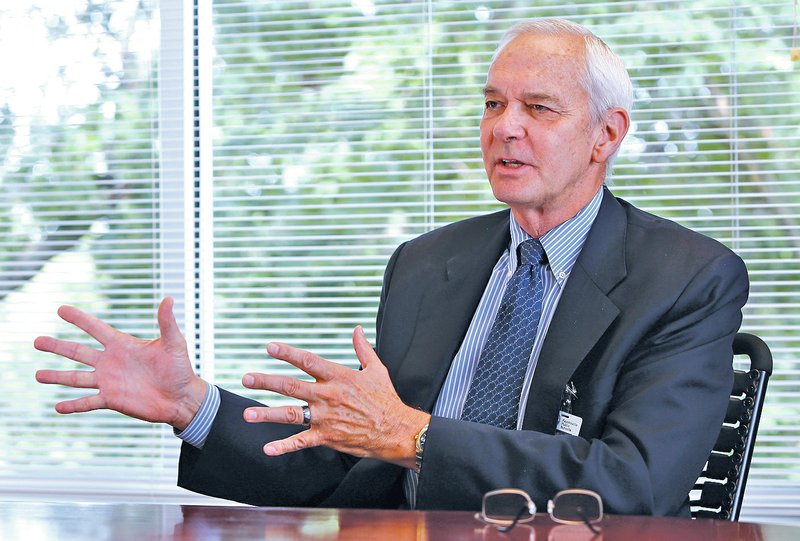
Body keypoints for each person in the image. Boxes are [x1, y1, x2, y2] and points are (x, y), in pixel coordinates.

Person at [34, 18, 748, 517]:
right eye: (493, 103)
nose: (505, 126)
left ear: (607, 135)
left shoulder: (687, 277)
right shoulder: (426, 264)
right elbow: (354, 462)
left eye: (539, 107)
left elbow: (635, 484)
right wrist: (193, 404)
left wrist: (415, 435)